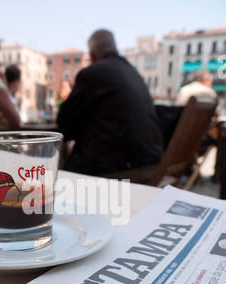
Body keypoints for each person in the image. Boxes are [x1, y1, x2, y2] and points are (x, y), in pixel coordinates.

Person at [57, 29, 164, 176]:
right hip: (151, 163)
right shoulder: (134, 73)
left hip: (116, 168)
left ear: (93, 55)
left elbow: (65, 126)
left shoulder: (94, 73)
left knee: (57, 176)